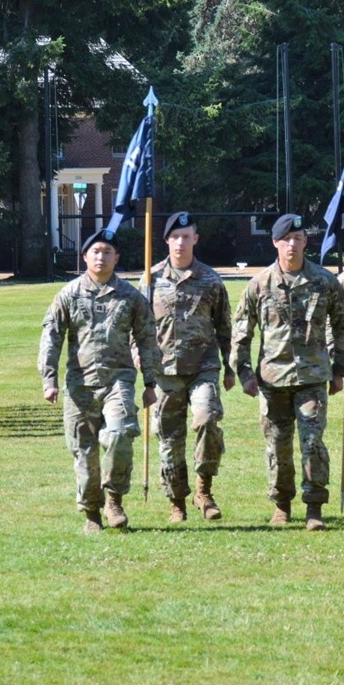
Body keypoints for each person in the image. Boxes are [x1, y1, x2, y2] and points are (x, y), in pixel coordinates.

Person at [233, 214, 344, 531]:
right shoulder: (259, 285)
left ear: (305, 242)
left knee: (313, 442)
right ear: (275, 242)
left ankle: (314, 507)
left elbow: (343, 327)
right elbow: (241, 333)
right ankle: (281, 504)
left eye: (297, 238)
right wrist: (245, 373)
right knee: (278, 445)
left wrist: (341, 369)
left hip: (312, 377)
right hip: (272, 380)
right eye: (286, 239)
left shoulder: (325, 281)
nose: (292, 244)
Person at [38, 229, 162, 532]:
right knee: (84, 452)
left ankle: (114, 499)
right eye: (95, 251)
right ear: (85, 257)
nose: (101, 257)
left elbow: (147, 338)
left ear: (116, 258)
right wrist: (49, 379)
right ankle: (91, 512)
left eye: (107, 252)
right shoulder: (69, 294)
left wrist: (150, 382)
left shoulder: (130, 296)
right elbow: (51, 336)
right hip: (80, 385)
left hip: (117, 381)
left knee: (119, 435)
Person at [149, 212, 236, 523]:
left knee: (207, 419)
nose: (181, 242)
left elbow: (225, 327)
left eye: (187, 236)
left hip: (204, 367)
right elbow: (139, 326)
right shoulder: (152, 279)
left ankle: (204, 488)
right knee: (169, 439)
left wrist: (231, 367)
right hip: (165, 371)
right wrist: (139, 356)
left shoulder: (211, 280)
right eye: (175, 237)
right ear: (166, 241)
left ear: (195, 239)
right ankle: (177, 503)